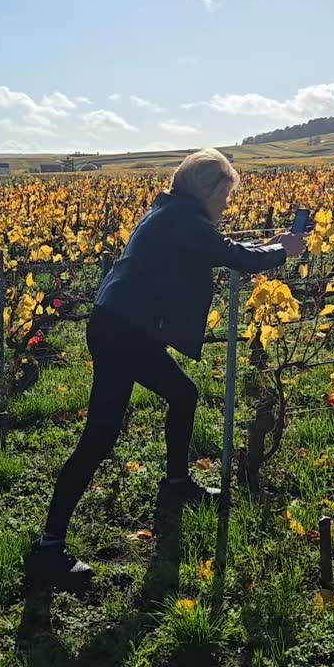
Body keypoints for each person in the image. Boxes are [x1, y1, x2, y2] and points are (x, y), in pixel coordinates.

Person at [27, 148, 305, 589]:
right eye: (226, 197)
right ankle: (48, 547)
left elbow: (217, 246)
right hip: (123, 333)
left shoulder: (170, 212)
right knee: (98, 439)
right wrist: (282, 249)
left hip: (123, 327)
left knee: (183, 394)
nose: (226, 207)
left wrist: (267, 247)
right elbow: (236, 254)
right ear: (209, 191)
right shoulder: (183, 221)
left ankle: (176, 483)